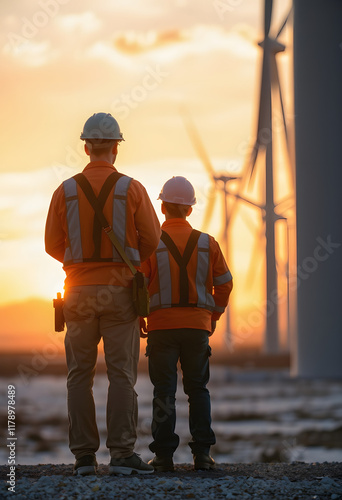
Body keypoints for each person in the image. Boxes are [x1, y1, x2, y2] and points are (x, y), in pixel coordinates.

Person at [45, 112, 160, 476]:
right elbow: (153, 241)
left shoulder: (65, 190)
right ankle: (123, 454)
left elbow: (51, 244)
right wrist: (128, 265)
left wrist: (79, 265)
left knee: (78, 376)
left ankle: (83, 458)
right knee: (121, 374)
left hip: (77, 291)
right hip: (119, 291)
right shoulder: (132, 189)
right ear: (115, 148)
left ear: (85, 147)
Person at [141, 176, 233, 472]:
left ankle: (164, 457)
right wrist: (213, 316)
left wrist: (143, 316)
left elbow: (138, 286)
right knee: (198, 390)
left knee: (164, 393)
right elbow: (225, 284)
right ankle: (203, 456)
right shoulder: (208, 244)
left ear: (163, 208)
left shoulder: (150, 244)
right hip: (197, 328)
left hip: (161, 328)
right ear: (190, 210)